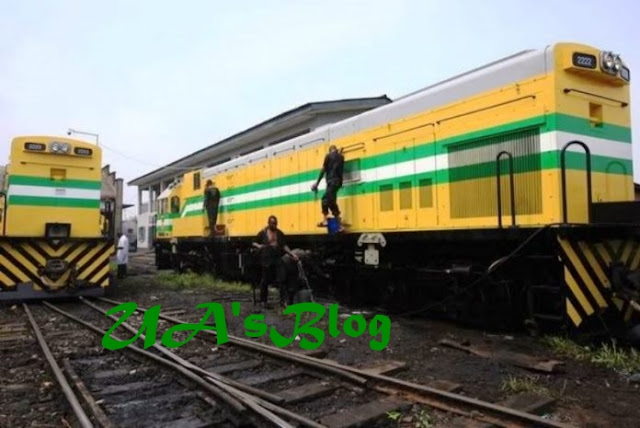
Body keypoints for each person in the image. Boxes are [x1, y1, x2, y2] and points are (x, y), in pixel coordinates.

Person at [252, 215, 298, 309]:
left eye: (275, 223)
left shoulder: (279, 233)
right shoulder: (263, 233)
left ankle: (283, 301)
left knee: (282, 279)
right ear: (268, 223)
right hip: (266, 257)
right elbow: (253, 242)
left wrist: (292, 255)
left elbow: (284, 246)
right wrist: (259, 246)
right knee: (265, 280)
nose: (274, 225)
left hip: (277, 257)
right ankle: (263, 301)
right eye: (272, 223)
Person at [311, 145, 345, 231]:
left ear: (330, 151)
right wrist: (339, 153)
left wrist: (317, 183)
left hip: (331, 182)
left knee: (325, 200)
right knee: (331, 201)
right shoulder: (341, 157)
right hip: (338, 184)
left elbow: (323, 170)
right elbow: (337, 162)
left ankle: (326, 220)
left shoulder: (328, 156)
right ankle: (339, 224)